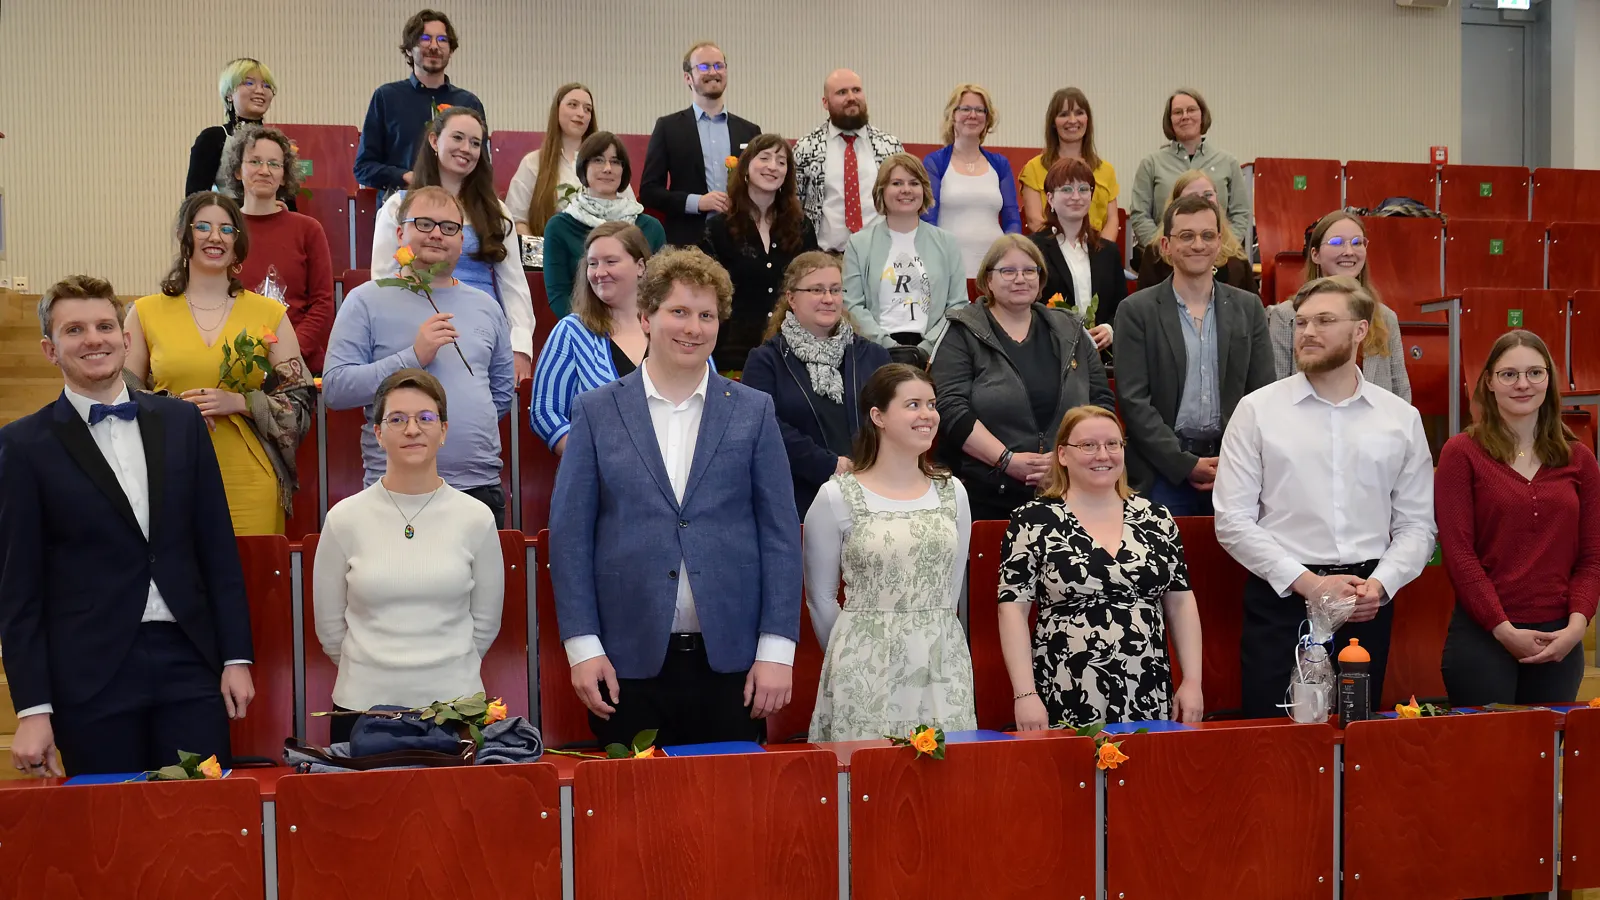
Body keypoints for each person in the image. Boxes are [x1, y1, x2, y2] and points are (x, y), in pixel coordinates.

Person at [1, 276, 254, 777]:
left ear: (127, 338)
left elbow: (217, 549)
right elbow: (19, 590)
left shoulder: (183, 423)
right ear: (51, 350)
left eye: (104, 325)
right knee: (111, 840)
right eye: (74, 330)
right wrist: (32, 709)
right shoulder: (23, 446)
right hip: (90, 673)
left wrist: (236, 657)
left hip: (190, 660)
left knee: (203, 830)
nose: (93, 339)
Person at [550, 247, 801, 748]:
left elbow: (779, 536)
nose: (693, 327)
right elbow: (571, 538)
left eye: (706, 315)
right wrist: (582, 647)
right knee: (632, 815)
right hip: (626, 662)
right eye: (679, 312)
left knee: (731, 813)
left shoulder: (754, 411)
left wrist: (777, 649)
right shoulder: (597, 410)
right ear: (646, 318)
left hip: (734, 662)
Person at [1214, 276, 1435, 719]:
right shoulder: (1257, 410)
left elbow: (1417, 526)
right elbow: (1232, 520)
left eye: (1325, 321)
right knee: (1274, 745)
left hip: (1365, 603)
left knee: (1356, 746)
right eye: (1301, 323)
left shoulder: (1400, 418)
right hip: (1283, 598)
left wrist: (1382, 583)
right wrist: (1311, 585)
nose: (1308, 332)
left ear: (1360, 331)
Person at [314, 368, 504, 745]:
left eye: (426, 418)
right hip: (362, 710)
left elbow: (485, 623)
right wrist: (378, 675)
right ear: (378, 433)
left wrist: (442, 675)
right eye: (397, 419)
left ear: (444, 431)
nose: (412, 430)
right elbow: (330, 629)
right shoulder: (343, 519)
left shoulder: (476, 518)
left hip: (456, 710)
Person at [998, 406, 1203, 728]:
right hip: (1067, 686)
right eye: (1089, 445)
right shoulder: (1032, 520)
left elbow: (1180, 602)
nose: (1102, 454)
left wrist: (1192, 681)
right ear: (1063, 454)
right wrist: (1024, 695)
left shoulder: (1156, 518)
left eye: (1113, 444)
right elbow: (1012, 610)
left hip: (1147, 685)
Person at [125, 192, 315, 537]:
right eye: (203, 227)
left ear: (237, 242)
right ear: (186, 237)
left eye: (227, 229)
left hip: (249, 476)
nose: (215, 237)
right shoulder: (144, 312)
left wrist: (243, 402)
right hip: (172, 472)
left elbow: (300, 402)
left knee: (251, 586)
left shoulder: (269, 314)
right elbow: (119, 395)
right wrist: (172, 409)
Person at [324, 186, 516, 527]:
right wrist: (412, 357)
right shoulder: (364, 300)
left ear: (462, 240)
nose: (437, 235)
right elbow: (336, 389)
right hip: (397, 491)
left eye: (449, 227)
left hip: (479, 489)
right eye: (424, 223)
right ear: (400, 233)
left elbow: (499, 395)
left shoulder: (487, 306)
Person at [805, 364, 975, 741]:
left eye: (931, 404)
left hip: (940, 661)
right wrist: (858, 648)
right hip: (864, 666)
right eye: (913, 404)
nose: (927, 415)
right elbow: (819, 598)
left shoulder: (953, 492)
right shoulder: (836, 496)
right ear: (878, 416)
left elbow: (952, 588)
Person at [1436, 330, 1598, 707]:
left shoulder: (1580, 458)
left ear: (1549, 380)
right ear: (1489, 382)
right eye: (1509, 374)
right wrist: (1503, 629)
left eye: (1534, 373)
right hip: (1484, 638)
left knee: (1542, 762)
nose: (1523, 384)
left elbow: (1592, 557)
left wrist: (1576, 628)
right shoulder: (1462, 453)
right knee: (1487, 760)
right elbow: (1460, 556)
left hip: (1560, 641)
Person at [930, 234, 1114, 522]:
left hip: (1070, 488)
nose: (1020, 279)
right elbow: (950, 409)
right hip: (988, 494)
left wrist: (1066, 457)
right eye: (1008, 271)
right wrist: (1006, 460)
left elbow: (1101, 402)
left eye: (1030, 271)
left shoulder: (1071, 330)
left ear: (1041, 280)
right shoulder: (962, 332)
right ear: (988, 279)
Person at [1114, 194, 1274, 516]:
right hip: (1161, 470)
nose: (1197, 244)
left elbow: (1262, 395)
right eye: (1186, 236)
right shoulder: (1136, 311)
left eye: (1207, 235)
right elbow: (1134, 402)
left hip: (1234, 466)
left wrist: (1232, 461)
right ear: (1165, 246)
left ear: (1219, 243)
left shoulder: (1248, 307)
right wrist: (1184, 464)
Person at [371, 107, 535, 382]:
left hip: (481, 333)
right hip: (414, 331)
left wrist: (519, 348)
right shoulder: (398, 206)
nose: (466, 149)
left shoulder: (497, 211)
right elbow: (383, 279)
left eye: (475, 143)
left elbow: (513, 286)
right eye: (457, 138)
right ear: (435, 141)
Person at [743, 251, 891, 519]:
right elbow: (764, 427)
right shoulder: (766, 360)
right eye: (816, 290)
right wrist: (830, 465)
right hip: (797, 500)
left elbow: (893, 418)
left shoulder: (873, 356)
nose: (828, 298)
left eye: (835, 290)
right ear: (791, 298)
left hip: (871, 496)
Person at [218, 125, 336, 373]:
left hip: (295, 363)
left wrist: (287, 355)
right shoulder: (223, 231)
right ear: (238, 171)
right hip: (231, 362)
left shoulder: (308, 229)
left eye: (274, 164)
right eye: (255, 161)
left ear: (284, 176)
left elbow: (322, 304)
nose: (264, 170)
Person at [530, 222, 653, 456]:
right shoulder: (572, 331)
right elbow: (545, 413)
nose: (599, 272)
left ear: (640, 266)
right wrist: (592, 458)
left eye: (611, 261)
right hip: (598, 481)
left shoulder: (668, 328)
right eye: (593, 263)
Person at [700, 134, 819, 373]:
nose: (773, 166)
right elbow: (708, 291)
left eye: (781, 161)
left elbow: (813, 284)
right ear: (745, 169)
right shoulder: (719, 227)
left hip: (792, 349)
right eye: (764, 158)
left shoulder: (802, 226)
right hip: (731, 352)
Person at [1265, 210, 1411, 401]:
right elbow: (1277, 393)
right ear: (1315, 254)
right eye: (1337, 242)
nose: (1349, 251)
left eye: (1357, 242)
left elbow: (1401, 395)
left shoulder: (1385, 317)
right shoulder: (1286, 316)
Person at [841, 153, 966, 368]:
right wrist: (885, 346)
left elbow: (957, 305)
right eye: (896, 183)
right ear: (882, 191)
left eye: (914, 183)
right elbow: (852, 304)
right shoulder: (858, 244)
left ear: (924, 190)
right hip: (875, 353)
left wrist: (927, 348)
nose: (906, 190)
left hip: (933, 353)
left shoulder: (948, 243)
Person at [642, 41, 763, 248]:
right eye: (704, 67)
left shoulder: (750, 131)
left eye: (719, 65)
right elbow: (649, 191)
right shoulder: (668, 127)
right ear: (688, 77)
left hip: (741, 240)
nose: (713, 72)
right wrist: (697, 203)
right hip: (687, 241)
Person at [354, 9, 485, 198]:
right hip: (400, 207)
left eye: (442, 40)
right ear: (408, 48)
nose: (434, 46)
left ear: (451, 50)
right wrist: (406, 176)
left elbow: (482, 167)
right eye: (425, 38)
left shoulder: (468, 102)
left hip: (457, 207)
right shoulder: (386, 97)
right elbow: (363, 168)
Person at [543, 132, 667, 318]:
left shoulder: (650, 227)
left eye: (616, 162)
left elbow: (660, 290)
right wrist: (594, 327)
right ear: (583, 167)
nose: (608, 168)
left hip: (640, 330)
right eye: (598, 160)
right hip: (584, 329)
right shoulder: (559, 227)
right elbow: (558, 294)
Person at [793, 69, 906, 252]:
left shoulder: (890, 147)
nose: (851, 97)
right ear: (825, 102)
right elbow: (794, 207)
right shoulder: (806, 148)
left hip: (881, 255)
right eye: (842, 92)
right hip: (825, 259)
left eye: (856, 90)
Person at [505, 83, 636, 237]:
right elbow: (516, 219)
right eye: (573, 105)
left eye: (587, 109)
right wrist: (543, 252)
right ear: (557, 110)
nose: (581, 113)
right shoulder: (533, 163)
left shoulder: (608, 164)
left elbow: (630, 212)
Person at [1128, 88, 1249, 254]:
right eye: (1178, 112)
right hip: (1164, 258)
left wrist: (1223, 248)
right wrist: (1162, 248)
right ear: (1170, 120)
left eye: (1191, 110)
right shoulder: (1151, 163)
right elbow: (1140, 214)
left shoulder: (1228, 163)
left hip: (1220, 257)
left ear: (1202, 115)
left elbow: (1241, 213)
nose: (1185, 116)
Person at [920, 83, 1022, 277]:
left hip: (995, 270)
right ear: (952, 115)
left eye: (979, 110)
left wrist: (1011, 257)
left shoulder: (1000, 164)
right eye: (965, 109)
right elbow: (927, 220)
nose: (972, 115)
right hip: (949, 269)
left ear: (987, 117)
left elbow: (1012, 218)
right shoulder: (935, 162)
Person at [1030, 157, 1124, 357]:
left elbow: (1121, 306)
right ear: (1050, 198)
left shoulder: (1108, 251)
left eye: (1083, 189)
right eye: (1066, 189)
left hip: (1100, 356)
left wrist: (1110, 328)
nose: (1076, 196)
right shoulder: (1033, 249)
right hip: (1050, 353)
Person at [1135, 170, 1259, 296]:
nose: (1201, 201)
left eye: (1208, 195)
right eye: (1192, 196)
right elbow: (1143, 307)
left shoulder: (1235, 253)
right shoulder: (1156, 254)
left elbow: (1251, 307)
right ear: (1175, 202)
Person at [1019, 87, 1118, 241]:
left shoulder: (1106, 170)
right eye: (1064, 114)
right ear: (1053, 123)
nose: (1072, 120)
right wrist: (1068, 250)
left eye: (1079, 113)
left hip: (1097, 252)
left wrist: (1099, 253)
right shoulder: (1033, 168)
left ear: (1088, 119)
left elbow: (1112, 221)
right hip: (1052, 253)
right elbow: (1034, 221)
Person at [186, 58, 283, 202]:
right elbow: (194, 201)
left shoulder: (278, 141)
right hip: (229, 221)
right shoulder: (214, 138)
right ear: (229, 94)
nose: (260, 91)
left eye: (266, 85)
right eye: (249, 83)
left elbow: (288, 197)